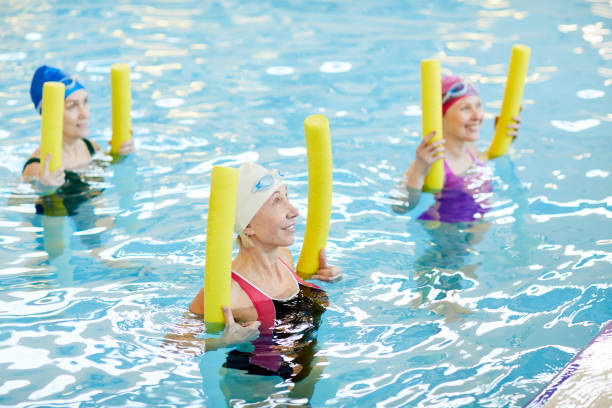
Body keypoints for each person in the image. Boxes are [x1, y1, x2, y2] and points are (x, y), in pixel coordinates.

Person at [181, 162, 341, 382]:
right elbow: (174, 348)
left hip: (306, 370)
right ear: (248, 225)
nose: (294, 211)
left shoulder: (285, 257)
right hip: (257, 385)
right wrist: (221, 342)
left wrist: (325, 276)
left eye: (287, 196)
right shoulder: (227, 293)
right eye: (277, 201)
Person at [392, 75, 521, 223]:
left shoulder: (468, 147)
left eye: (478, 105)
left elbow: (481, 161)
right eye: (465, 108)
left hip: (472, 230)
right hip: (447, 240)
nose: (477, 115)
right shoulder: (430, 161)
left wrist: (503, 139)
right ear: (441, 116)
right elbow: (399, 207)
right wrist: (419, 172)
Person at [22, 65, 135, 187]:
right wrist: (43, 187)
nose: (85, 114)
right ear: (50, 114)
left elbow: (112, 170)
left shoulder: (90, 147)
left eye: (85, 102)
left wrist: (121, 154)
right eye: (72, 106)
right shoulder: (37, 167)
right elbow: (14, 202)